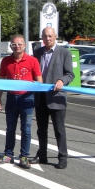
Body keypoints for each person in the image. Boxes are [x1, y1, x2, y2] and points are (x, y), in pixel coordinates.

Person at [0, 34, 42, 169]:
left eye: (19, 44)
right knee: (10, 129)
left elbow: (40, 81)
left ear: (24, 45)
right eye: (14, 44)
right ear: (11, 46)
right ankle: (8, 154)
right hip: (11, 98)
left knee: (26, 129)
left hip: (27, 99)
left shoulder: (32, 61)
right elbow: (1, 82)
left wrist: (35, 94)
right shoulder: (6, 61)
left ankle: (24, 156)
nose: (17, 46)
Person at [33, 27, 74, 169]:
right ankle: (42, 154)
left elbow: (70, 74)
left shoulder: (64, 53)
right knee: (41, 129)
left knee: (59, 130)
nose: (47, 39)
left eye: (50, 36)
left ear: (55, 36)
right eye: (45, 36)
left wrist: (62, 80)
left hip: (57, 98)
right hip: (40, 98)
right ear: (42, 38)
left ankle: (63, 157)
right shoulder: (37, 53)